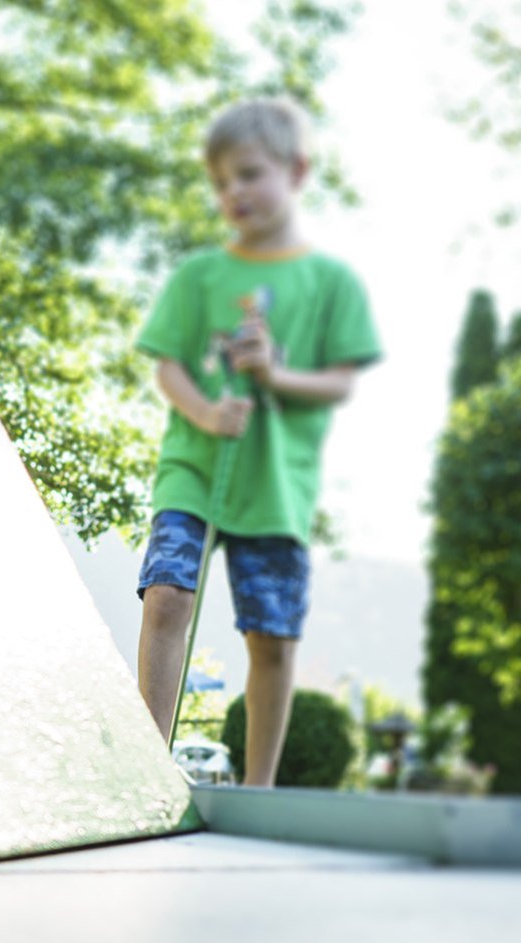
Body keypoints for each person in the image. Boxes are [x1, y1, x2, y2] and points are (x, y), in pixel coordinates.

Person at [133, 98, 381, 787]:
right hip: (194, 463)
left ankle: (261, 786)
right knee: (168, 593)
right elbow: (169, 365)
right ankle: (151, 768)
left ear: (296, 170)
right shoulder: (198, 278)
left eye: (248, 174)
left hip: (274, 481)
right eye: (220, 183)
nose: (232, 193)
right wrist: (208, 415)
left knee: (270, 635)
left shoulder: (330, 284)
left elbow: (339, 380)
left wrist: (274, 374)